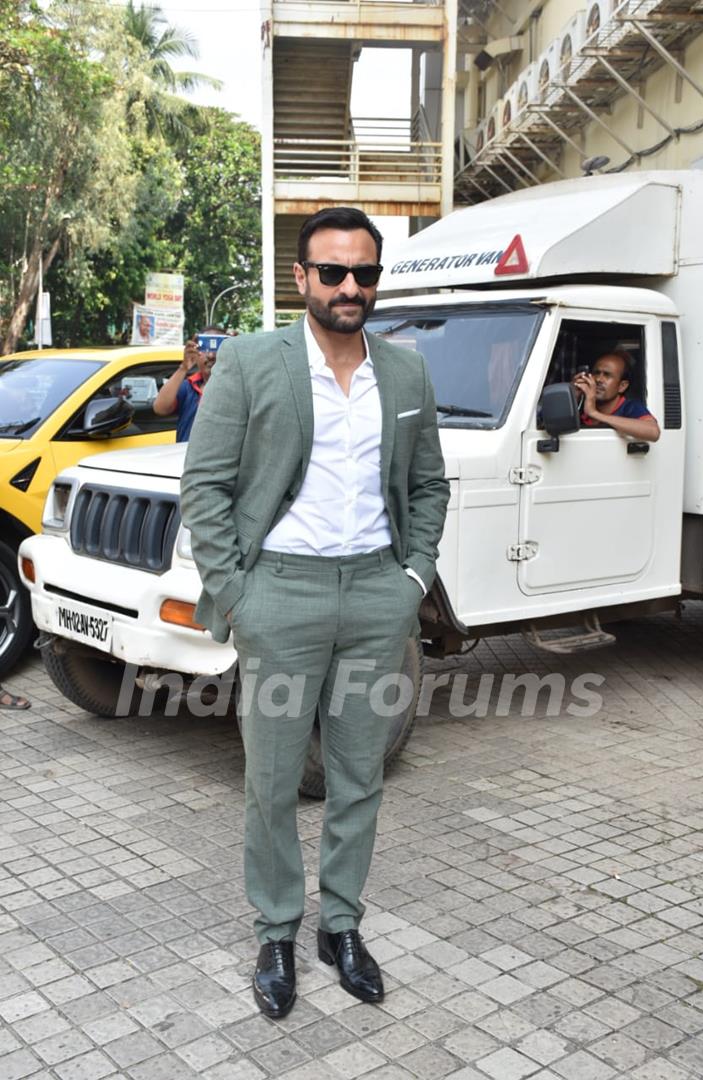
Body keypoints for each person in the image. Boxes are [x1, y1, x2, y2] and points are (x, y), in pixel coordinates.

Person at [181, 206, 449, 1020]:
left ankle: (341, 927)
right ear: (301, 279)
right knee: (269, 780)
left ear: (377, 280)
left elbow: (430, 485)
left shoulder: (404, 373)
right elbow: (207, 488)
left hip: (376, 596)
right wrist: (239, 595)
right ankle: (275, 930)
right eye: (331, 272)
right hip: (281, 595)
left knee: (358, 775)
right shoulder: (254, 362)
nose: (349, 287)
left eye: (364, 273)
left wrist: (412, 578)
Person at [153, 326, 224, 441]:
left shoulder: (236, 387)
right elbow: (160, 408)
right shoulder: (188, 386)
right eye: (205, 347)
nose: (211, 355)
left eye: (217, 348)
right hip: (186, 456)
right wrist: (184, 367)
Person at [573, 351, 660, 442]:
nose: (598, 379)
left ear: (622, 386)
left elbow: (653, 432)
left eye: (607, 375)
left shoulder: (630, 407)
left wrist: (594, 413)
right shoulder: (581, 404)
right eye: (596, 373)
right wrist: (573, 398)